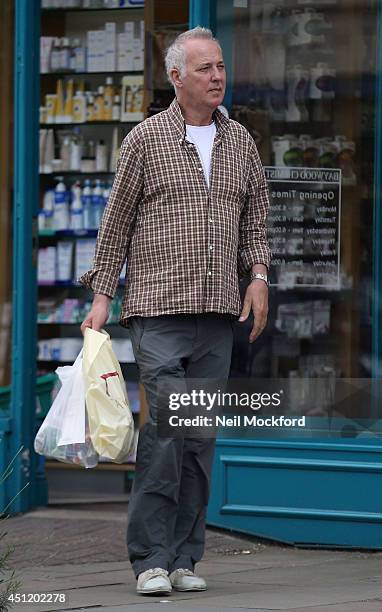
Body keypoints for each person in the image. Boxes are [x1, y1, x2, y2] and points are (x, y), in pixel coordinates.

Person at [80, 26, 270, 597]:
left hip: (217, 312)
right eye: (206, 68)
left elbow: (257, 215)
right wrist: (101, 294)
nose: (218, 77)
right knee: (165, 432)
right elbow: (115, 221)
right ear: (176, 78)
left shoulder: (241, 143)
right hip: (158, 310)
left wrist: (258, 277)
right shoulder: (146, 140)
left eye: (220, 68)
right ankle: (150, 560)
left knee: (198, 438)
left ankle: (186, 555)